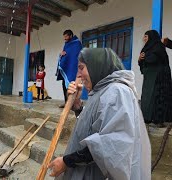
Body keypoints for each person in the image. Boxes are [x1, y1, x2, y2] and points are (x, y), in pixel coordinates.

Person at [48, 48, 151, 180]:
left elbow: (111, 144)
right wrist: (77, 106)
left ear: (96, 66)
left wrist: (67, 161)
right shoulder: (101, 91)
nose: (78, 75)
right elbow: (94, 128)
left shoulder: (117, 92)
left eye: (81, 68)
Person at [139, 30, 172, 126]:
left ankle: (158, 120)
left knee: (157, 98)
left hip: (159, 79)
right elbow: (143, 64)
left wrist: (144, 58)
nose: (143, 39)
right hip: (149, 79)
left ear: (151, 37)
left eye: (145, 36)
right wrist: (140, 60)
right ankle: (147, 118)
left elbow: (153, 59)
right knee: (147, 98)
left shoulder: (158, 47)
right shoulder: (147, 48)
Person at [56, 29, 82, 108]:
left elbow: (77, 56)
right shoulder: (66, 44)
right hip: (67, 69)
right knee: (64, 85)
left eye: (66, 36)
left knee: (74, 87)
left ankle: (74, 104)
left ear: (71, 35)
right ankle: (66, 102)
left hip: (73, 69)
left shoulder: (77, 44)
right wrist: (61, 54)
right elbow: (65, 54)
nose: (65, 39)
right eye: (64, 37)